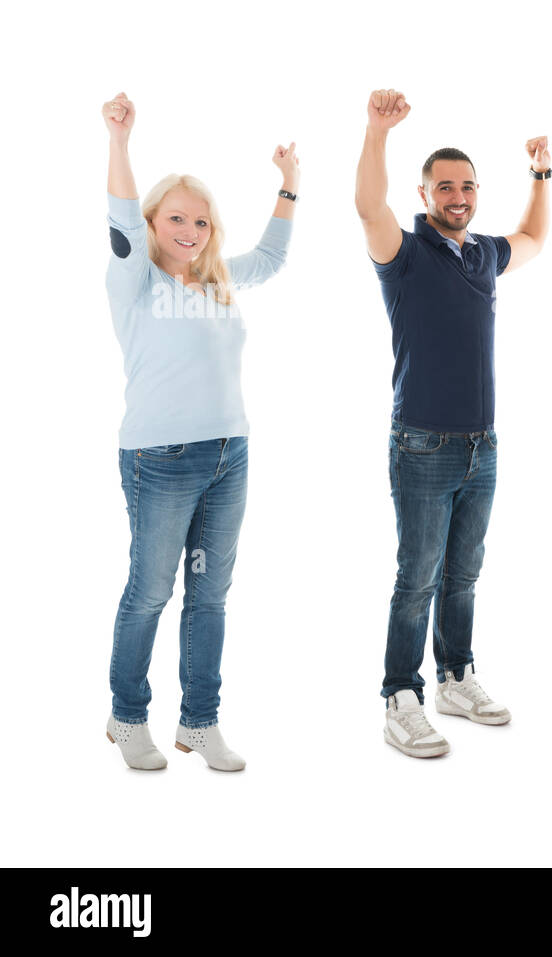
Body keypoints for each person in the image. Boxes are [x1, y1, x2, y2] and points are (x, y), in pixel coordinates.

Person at [102, 92, 298, 771]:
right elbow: (118, 216)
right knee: (151, 589)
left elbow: (271, 258)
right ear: (154, 222)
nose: (191, 230)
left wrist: (290, 185)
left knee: (210, 593)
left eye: (203, 222)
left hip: (228, 456)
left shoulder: (219, 280)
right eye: (178, 218)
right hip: (158, 460)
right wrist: (120, 142)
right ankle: (127, 715)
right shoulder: (134, 278)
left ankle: (200, 721)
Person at [355, 89, 552, 758]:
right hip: (422, 443)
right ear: (426, 191)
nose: (458, 194)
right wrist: (377, 132)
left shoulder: (481, 254)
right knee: (418, 575)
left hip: (481, 444)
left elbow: (533, 238)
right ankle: (400, 695)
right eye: (446, 185)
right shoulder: (404, 252)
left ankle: (455, 676)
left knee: (463, 572)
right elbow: (366, 204)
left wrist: (541, 176)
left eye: (467, 185)